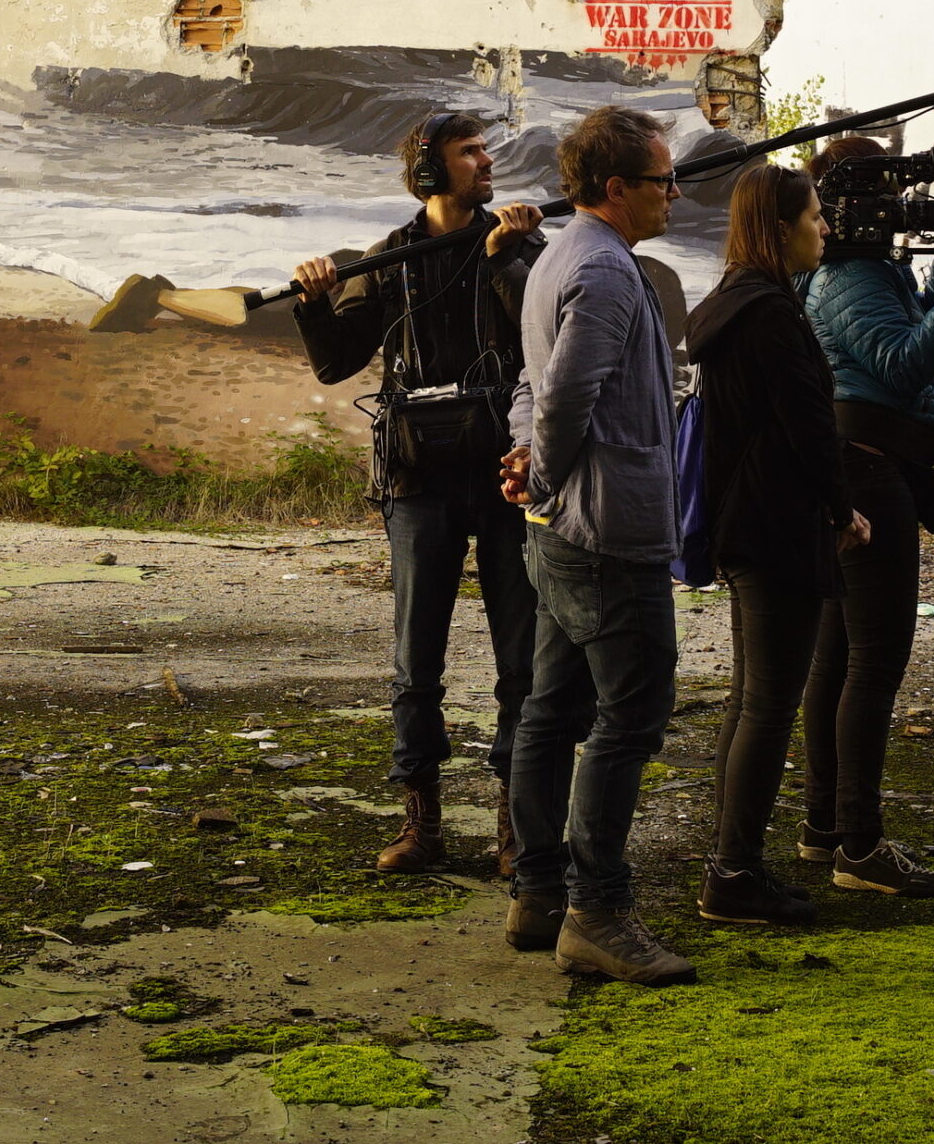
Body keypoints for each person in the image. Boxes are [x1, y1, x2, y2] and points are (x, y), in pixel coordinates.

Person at [291, 113, 545, 874]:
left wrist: (509, 259)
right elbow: (336, 364)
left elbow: (545, 339)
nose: (487, 161)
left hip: (505, 474)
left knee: (522, 659)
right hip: (417, 479)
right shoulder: (389, 260)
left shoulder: (516, 243)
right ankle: (421, 822)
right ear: (430, 172)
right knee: (415, 661)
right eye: (471, 152)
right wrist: (313, 301)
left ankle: (515, 825)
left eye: (485, 149)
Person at [498, 104, 692, 985]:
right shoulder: (608, 270)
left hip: (563, 526)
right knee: (631, 715)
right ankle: (598, 912)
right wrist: (539, 469)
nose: (674, 192)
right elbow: (564, 394)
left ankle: (539, 892)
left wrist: (527, 460)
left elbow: (528, 386)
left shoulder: (558, 257)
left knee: (553, 706)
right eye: (662, 180)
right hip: (606, 531)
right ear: (617, 187)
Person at [798, 135, 934, 897]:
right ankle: (859, 844)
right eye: (887, 192)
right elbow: (901, 363)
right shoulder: (848, 275)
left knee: (836, 657)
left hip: (860, 465)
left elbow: (906, 326)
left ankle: (826, 827)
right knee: (873, 662)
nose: (901, 206)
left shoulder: (865, 265)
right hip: (867, 470)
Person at [684, 163, 869, 928]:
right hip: (776, 526)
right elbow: (809, 426)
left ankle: (731, 862)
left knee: (749, 699)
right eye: (814, 216)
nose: (824, 228)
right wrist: (842, 509)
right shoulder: (771, 315)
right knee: (767, 704)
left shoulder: (730, 303)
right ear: (780, 227)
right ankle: (733, 872)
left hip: (740, 522)